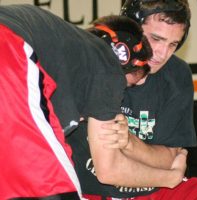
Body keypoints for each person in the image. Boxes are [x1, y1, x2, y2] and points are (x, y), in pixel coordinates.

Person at [68, 0, 197, 200]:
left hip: (153, 188)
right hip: (90, 189)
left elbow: (169, 158)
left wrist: (130, 143)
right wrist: (168, 176)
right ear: (130, 30)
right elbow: (109, 172)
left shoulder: (177, 75)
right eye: (155, 38)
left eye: (173, 44)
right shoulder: (100, 63)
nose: (162, 54)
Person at [0, 4, 153, 200]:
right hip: (9, 48)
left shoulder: (62, 60)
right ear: (122, 60)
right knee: (58, 187)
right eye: (126, 87)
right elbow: (108, 169)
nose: (118, 96)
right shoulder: (108, 65)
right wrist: (170, 176)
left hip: (11, 50)